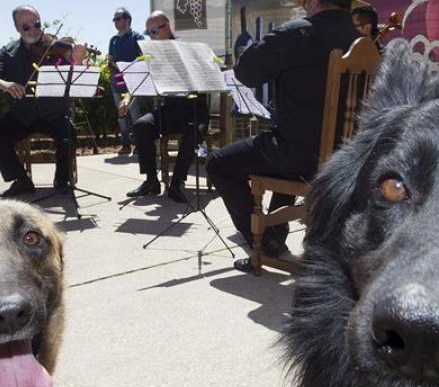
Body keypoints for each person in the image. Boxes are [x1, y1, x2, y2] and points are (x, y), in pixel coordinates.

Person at [205, 0, 358, 272]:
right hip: (345, 158)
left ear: (313, 2)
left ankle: (261, 243)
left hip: (300, 156)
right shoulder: (360, 40)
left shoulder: (298, 33)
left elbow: (245, 71)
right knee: (283, 152)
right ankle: (275, 239)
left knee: (218, 164)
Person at [0, 4, 87, 198]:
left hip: (54, 113)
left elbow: (74, 79)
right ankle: (21, 180)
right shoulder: (8, 52)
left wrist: (77, 61)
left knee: (69, 136)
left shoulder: (56, 48)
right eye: (26, 27)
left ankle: (61, 180)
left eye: (37, 24)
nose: (33, 30)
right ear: (17, 28)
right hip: (22, 114)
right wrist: (4, 84)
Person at [121, 10, 209, 204]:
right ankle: (151, 181)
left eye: (153, 31)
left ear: (166, 27)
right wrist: (127, 99)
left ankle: (176, 184)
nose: (150, 36)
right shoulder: (150, 53)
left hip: (192, 108)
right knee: (142, 125)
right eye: (148, 33)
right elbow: (138, 78)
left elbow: (203, 79)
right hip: (168, 109)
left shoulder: (185, 49)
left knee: (193, 130)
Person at [108, 7, 144, 156]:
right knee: (121, 115)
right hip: (117, 82)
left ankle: (140, 144)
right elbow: (111, 59)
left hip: (134, 82)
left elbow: (143, 57)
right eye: (114, 19)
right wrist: (111, 64)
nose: (115, 22)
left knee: (135, 114)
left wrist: (127, 65)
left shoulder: (137, 37)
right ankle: (125, 144)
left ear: (127, 19)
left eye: (118, 18)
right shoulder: (113, 40)